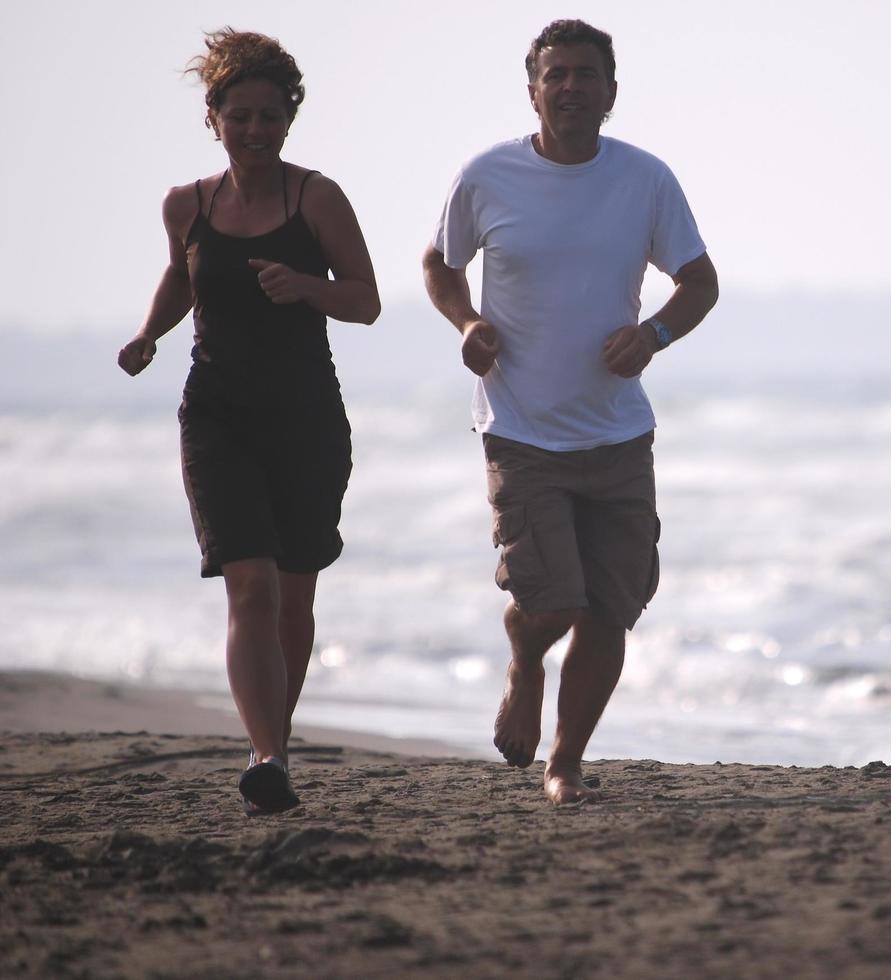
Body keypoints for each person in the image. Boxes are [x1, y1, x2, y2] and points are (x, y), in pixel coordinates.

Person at [423, 19, 718, 805]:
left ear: (611, 93)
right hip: (521, 430)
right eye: (556, 75)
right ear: (534, 90)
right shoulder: (487, 176)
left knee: (612, 611)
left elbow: (700, 282)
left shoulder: (644, 180)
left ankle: (567, 762)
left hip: (619, 432)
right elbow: (439, 264)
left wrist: (652, 334)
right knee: (553, 601)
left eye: (587, 75)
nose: (571, 87)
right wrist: (468, 324)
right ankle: (525, 658)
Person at [117, 28, 380, 815]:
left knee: (295, 597)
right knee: (250, 586)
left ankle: (276, 745)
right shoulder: (186, 205)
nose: (256, 131)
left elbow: (365, 300)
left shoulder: (316, 198)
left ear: (288, 120)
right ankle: (266, 754)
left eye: (270, 116)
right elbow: (181, 278)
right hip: (217, 415)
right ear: (215, 118)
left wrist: (306, 286)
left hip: (305, 417)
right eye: (242, 117)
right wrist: (147, 335)